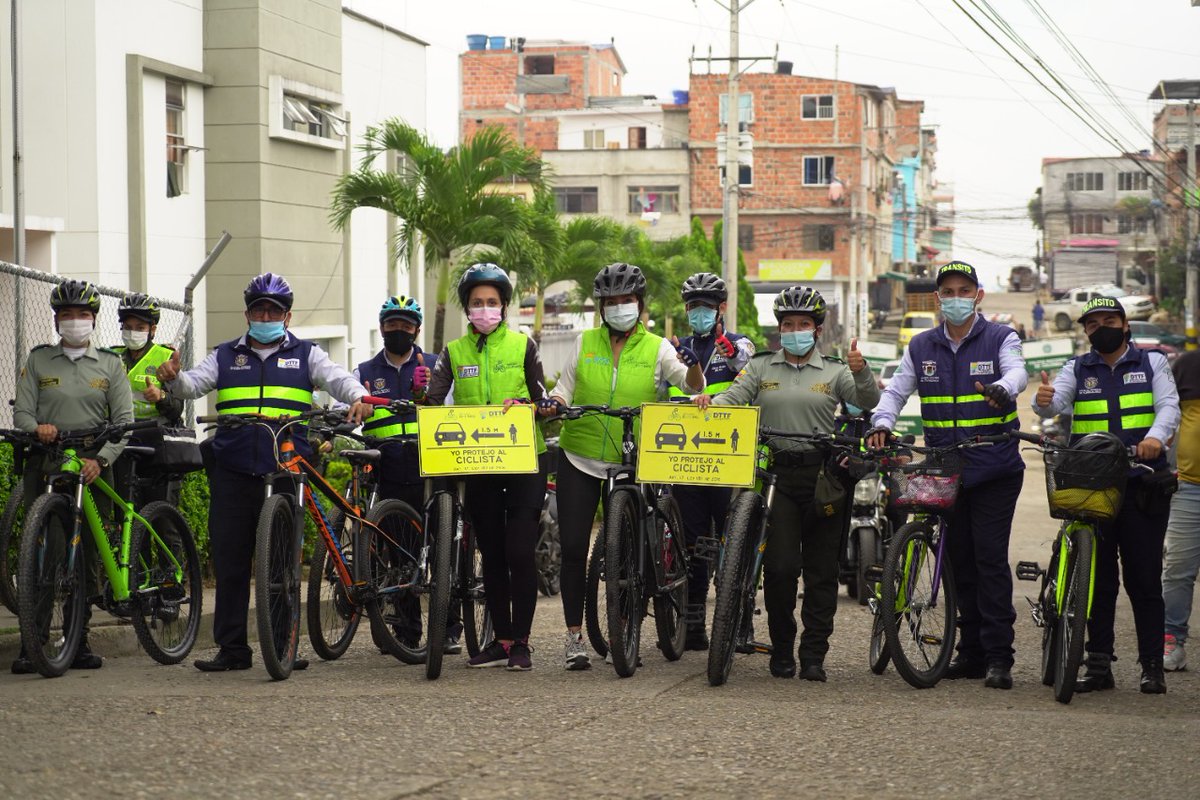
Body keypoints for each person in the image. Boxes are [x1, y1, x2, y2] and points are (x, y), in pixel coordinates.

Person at [156, 273, 371, 672]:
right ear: (248, 314)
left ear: (287, 317)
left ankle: (282, 643)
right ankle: (233, 649)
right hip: (233, 467)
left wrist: (358, 396)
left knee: (282, 562)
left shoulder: (308, 354)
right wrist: (173, 378)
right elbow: (192, 385)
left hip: (287, 468)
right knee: (231, 559)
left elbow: (339, 380)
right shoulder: (224, 355)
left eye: (274, 309)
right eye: (259, 309)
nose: (266, 315)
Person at [695, 286, 878, 681]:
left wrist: (861, 371)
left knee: (822, 571)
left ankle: (814, 654)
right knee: (779, 569)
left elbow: (867, 401)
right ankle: (781, 650)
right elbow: (734, 397)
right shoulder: (761, 367)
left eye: (804, 324)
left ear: (816, 329)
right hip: (776, 477)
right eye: (788, 324)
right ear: (779, 329)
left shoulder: (835, 370)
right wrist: (711, 404)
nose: (795, 330)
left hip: (824, 479)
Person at [867, 260, 1028, 690]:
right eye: (948, 291)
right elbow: (898, 390)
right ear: (938, 298)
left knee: (989, 558)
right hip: (946, 470)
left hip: (995, 468)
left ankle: (998, 658)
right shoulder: (921, 346)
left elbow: (1017, 371)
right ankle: (971, 653)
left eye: (964, 289)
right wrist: (881, 423)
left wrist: (1003, 388)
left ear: (977, 295)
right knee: (957, 561)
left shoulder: (1000, 337)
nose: (955, 297)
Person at [538, 262, 705, 671]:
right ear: (601, 307)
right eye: (611, 302)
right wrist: (555, 404)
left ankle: (627, 623)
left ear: (639, 304)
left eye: (626, 300)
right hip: (580, 454)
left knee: (634, 548)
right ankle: (574, 638)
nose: (619, 307)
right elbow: (564, 388)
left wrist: (695, 366)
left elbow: (688, 384)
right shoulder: (585, 342)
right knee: (575, 548)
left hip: (634, 455)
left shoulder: (657, 347)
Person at [1034, 296, 1180, 694]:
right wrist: (1043, 400)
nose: (1102, 328)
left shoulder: (1153, 364)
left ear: (1126, 324)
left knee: (1144, 579)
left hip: (1143, 484)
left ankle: (1152, 665)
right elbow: (1055, 399)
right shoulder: (1076, 368)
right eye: (1093, 324)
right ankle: (1099, 666)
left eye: (1109, 320)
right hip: (1093, 487)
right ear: (1086, 332)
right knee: (1097, 580)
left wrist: (1154, 438)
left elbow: (1169, 407)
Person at [424, 264, 549, 672]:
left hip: (525, 461)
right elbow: (433, 401)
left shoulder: (523, 345)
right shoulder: (454, 353)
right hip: (479, 464)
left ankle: (523, 643)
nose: (484, 309)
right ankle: (502, 640)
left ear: (505, 306)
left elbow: (543, 400)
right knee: (492, 554)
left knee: (519, 552)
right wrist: (421, 390)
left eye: (492, 302)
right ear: (467, 309)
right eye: (477, 303)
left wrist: (529, 407)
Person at [11, 279, 134, 673]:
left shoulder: (111, 365)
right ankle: (36, 643)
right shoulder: (39, 360)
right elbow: (23, 413)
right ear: (56, 320)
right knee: (44, 553)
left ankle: (79, 641)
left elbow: (124, 423)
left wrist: (102, 459)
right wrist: (38, 428)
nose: (75, 321)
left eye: (82, 314)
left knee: (86, 557)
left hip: (93, 465)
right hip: (48, 461)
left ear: (94, 319)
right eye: (67, 314)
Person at [353, 295, 462, 656]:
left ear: (416, 329)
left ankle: (447, 628)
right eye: (392, 324)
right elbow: (346, 407)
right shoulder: (365, 372)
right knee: (400, 556)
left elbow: (453, 410)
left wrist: (430, 389)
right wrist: (352, 408)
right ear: (382, 327)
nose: (398, 330)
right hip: (390, 470)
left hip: (431, 468)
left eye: (405, 325)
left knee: (442, 550)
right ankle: (408, 630)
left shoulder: (434, 365)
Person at [668, 272, 756, 650]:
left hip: (727, 463)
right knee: (694, 547)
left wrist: (726, 348)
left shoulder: (736, 344)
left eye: (705, 306)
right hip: (686, 462)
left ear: (721, 309)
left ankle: (741, 626)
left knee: (735, 545)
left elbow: (745, 367)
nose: (697, 313)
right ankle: (693, 627)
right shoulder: (677, 348)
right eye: (692, 306)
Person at [111, 293, 184, 507]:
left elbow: (177, 408)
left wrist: (161, 397)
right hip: (122, 441)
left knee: (163, 517)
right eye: (128, 326)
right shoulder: (110, 357)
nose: (133, 332)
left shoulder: (166, 357)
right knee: (127, 518)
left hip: (158, 444)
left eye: (140, 327)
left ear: (153, 330)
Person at [1163, 349, 1200, 672]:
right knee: (1177, 568)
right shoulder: (1187, 366)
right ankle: (1172, 639)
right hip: (1190, 487)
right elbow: (1168, 414)